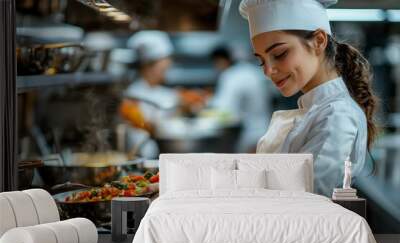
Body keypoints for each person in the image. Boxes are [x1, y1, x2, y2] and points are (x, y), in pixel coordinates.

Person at [239, 0, 379, 197]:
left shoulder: (337, 115)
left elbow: (309, 201)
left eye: (279, 54)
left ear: (319, 41)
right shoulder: (318, 109)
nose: (268, 71)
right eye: (261, 61)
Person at [120, 30, 205, 158]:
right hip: (144, 158)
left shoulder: (161, 91)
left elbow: (174, 104)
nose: (168, 67)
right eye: (164, 64)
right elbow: (146, 127)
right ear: (149, 65)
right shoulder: (133, 95)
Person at [208, 46, 271, 153]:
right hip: (266, 128)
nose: (216, 67)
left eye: (216, 63)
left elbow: (224, 111)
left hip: (249, 136)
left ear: (221, 60)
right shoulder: (251, 70)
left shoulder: (231, 76)